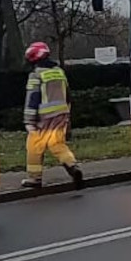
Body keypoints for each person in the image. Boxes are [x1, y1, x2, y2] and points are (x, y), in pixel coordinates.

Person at [21, 41, 85, 190]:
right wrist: (67, 115)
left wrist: (29, 121)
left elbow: (32, 99)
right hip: (61, 115)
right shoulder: (59, 72)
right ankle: (73, 166)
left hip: (43, 118)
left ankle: (34, 179)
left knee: (34, 146)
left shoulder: (36, 75)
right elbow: (68, 96)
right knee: (57, 144)